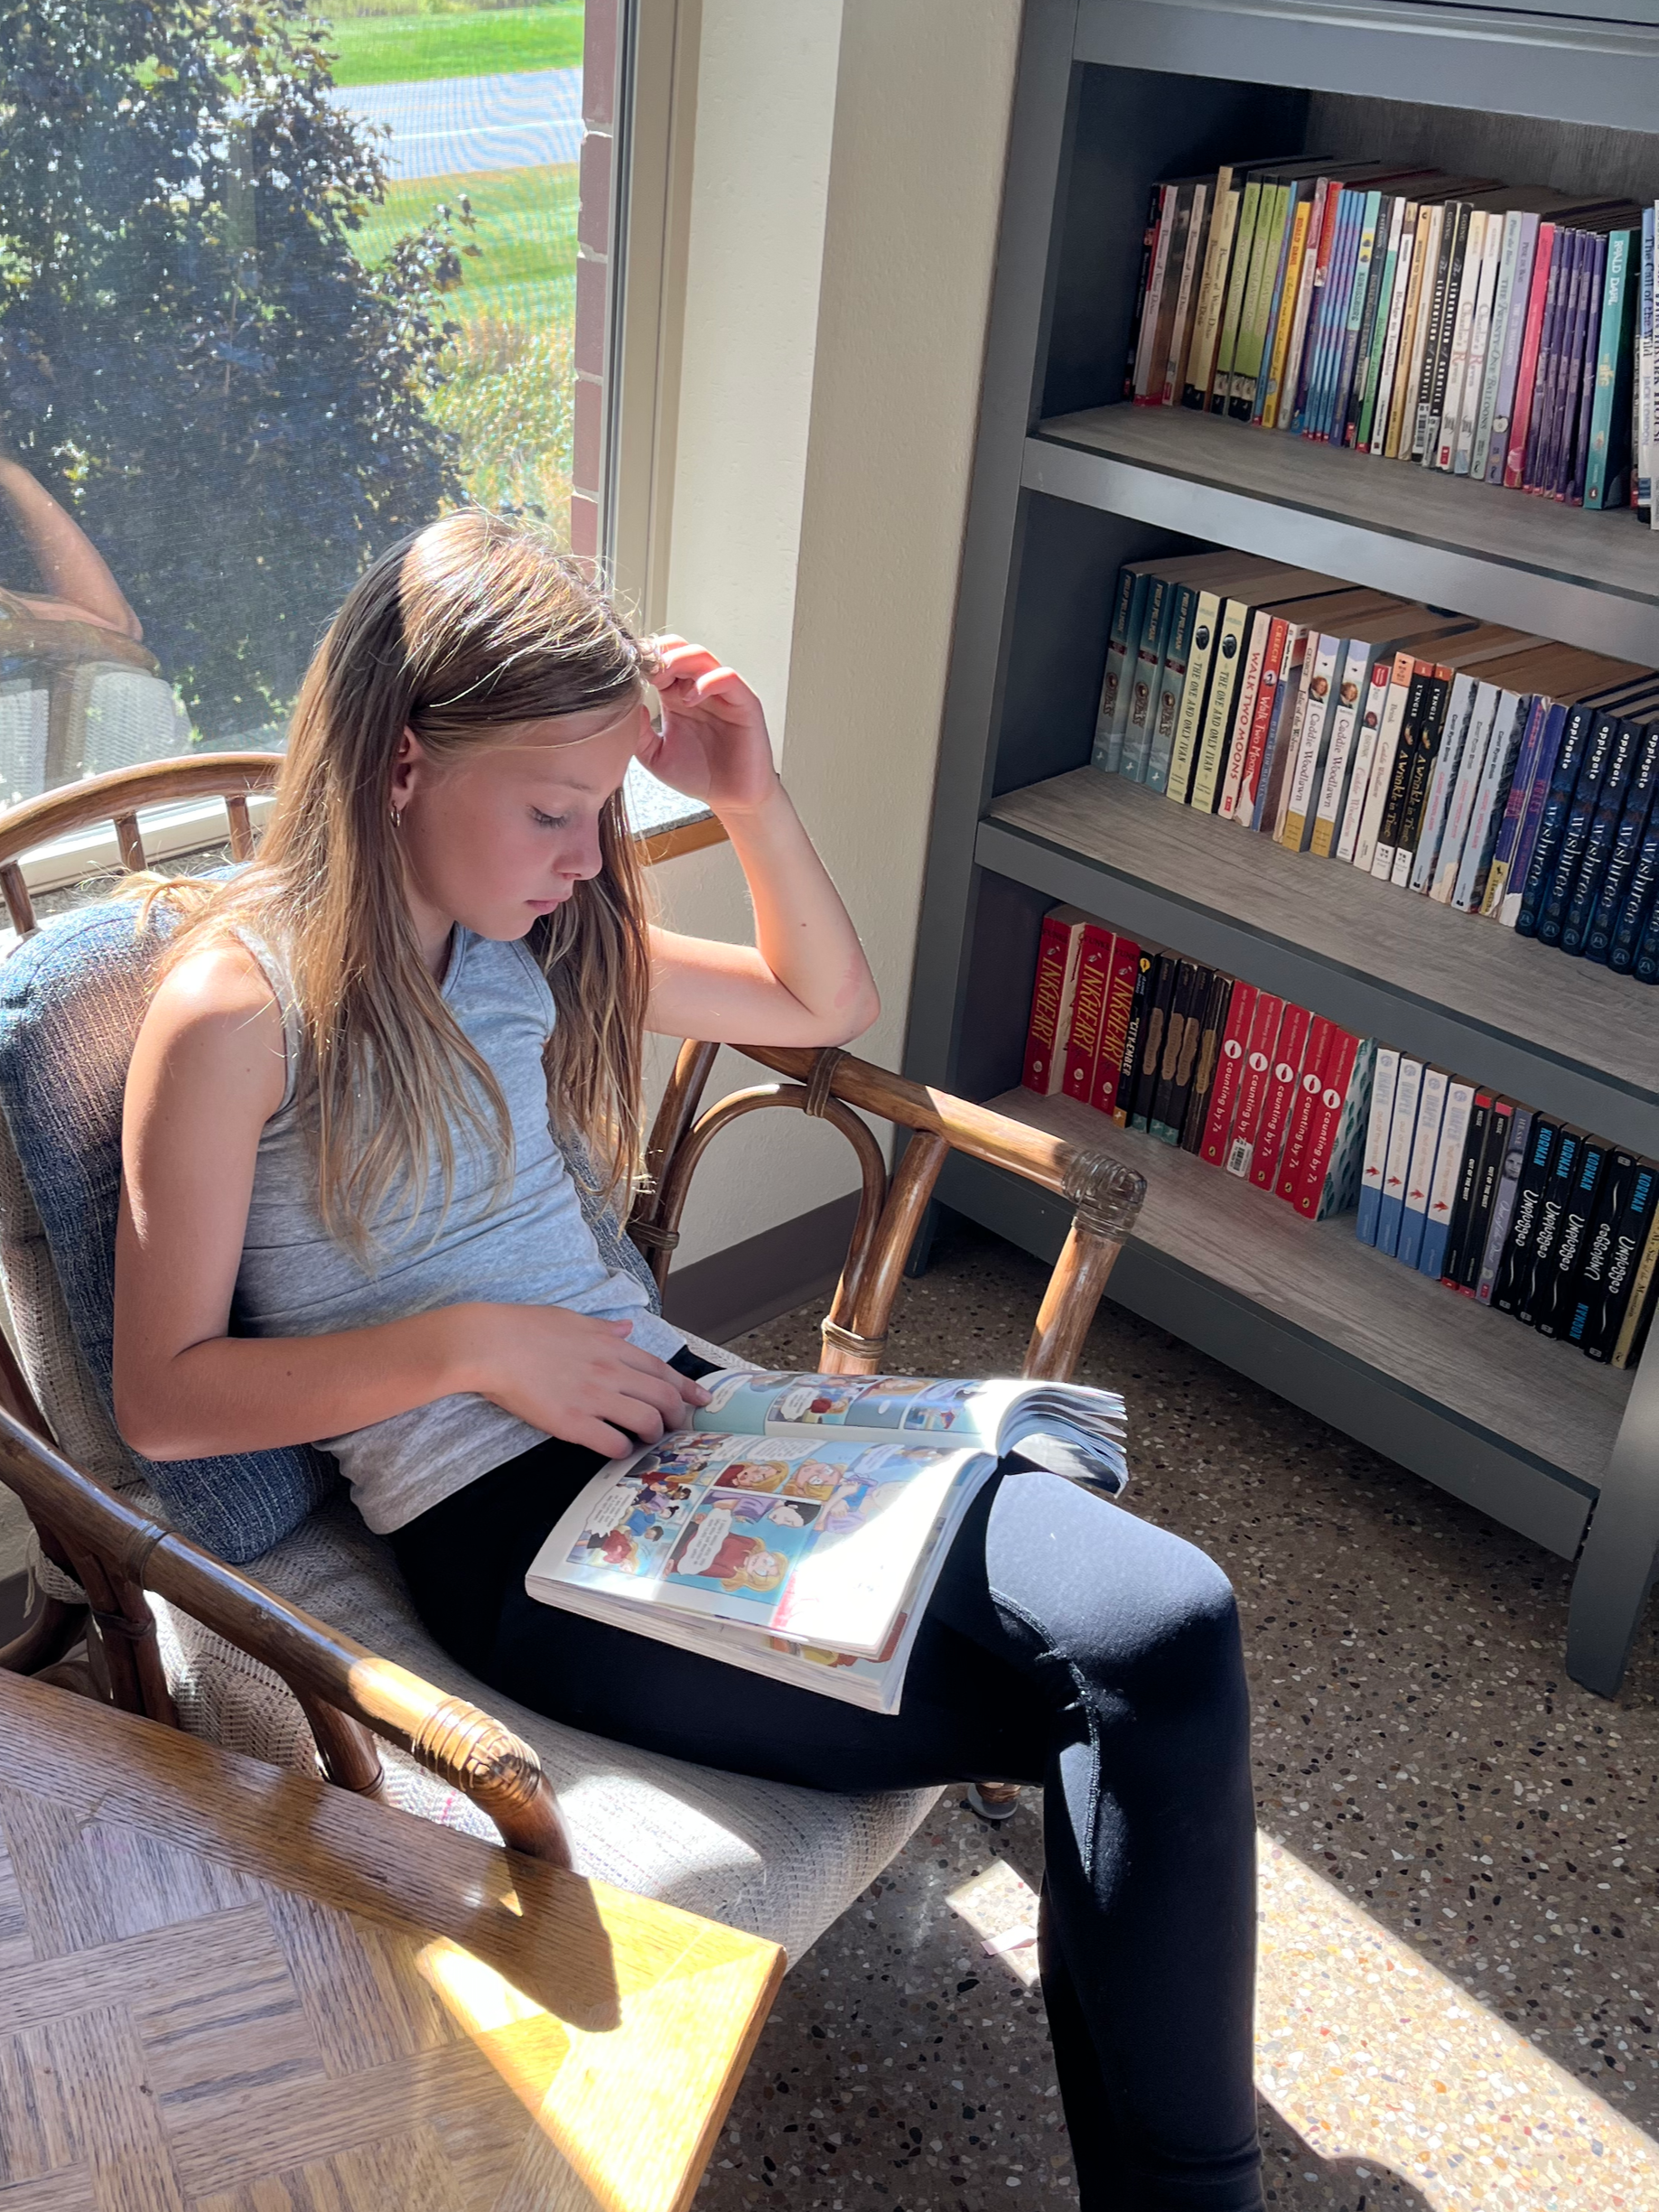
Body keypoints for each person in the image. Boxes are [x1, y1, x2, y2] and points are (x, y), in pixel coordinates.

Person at [112, 512, 1263, 2211]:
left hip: (683, 1416)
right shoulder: (236, 1009)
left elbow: (822, 994)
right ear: (404, 760)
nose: (590, 856)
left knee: (1162, 1639)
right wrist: (480, 1345)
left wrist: (745, 789)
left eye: (608, 810)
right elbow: (161, 1396)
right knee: (1130, 1699)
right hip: (504, 1523)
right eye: (557, 810)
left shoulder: (520, 936)